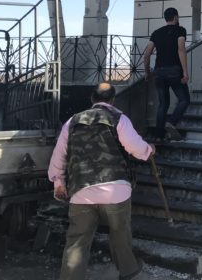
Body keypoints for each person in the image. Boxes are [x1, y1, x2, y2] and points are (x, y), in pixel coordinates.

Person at [48, 82, 154, 280]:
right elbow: (136, 148)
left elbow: (59, 155)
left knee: (77, 242)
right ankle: (128, 271)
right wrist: (149, 150)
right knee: (120, 234)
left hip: (81, 189)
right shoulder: (119, 118)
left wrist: (58, 183)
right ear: (113, 100)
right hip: (116, 189)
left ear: (92, 99)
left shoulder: (72, 121)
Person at [143, 7, 190, 140]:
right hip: (174, 71)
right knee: (184, 100)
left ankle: (158, 136)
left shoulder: (156, 33)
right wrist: (185, 72)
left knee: (163, 104)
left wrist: (147, 72)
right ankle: (171, 122)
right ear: (175, 17)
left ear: (165, 18)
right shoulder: (180, 30)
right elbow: (181, 49)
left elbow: (147, 54)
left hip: (159, 72)